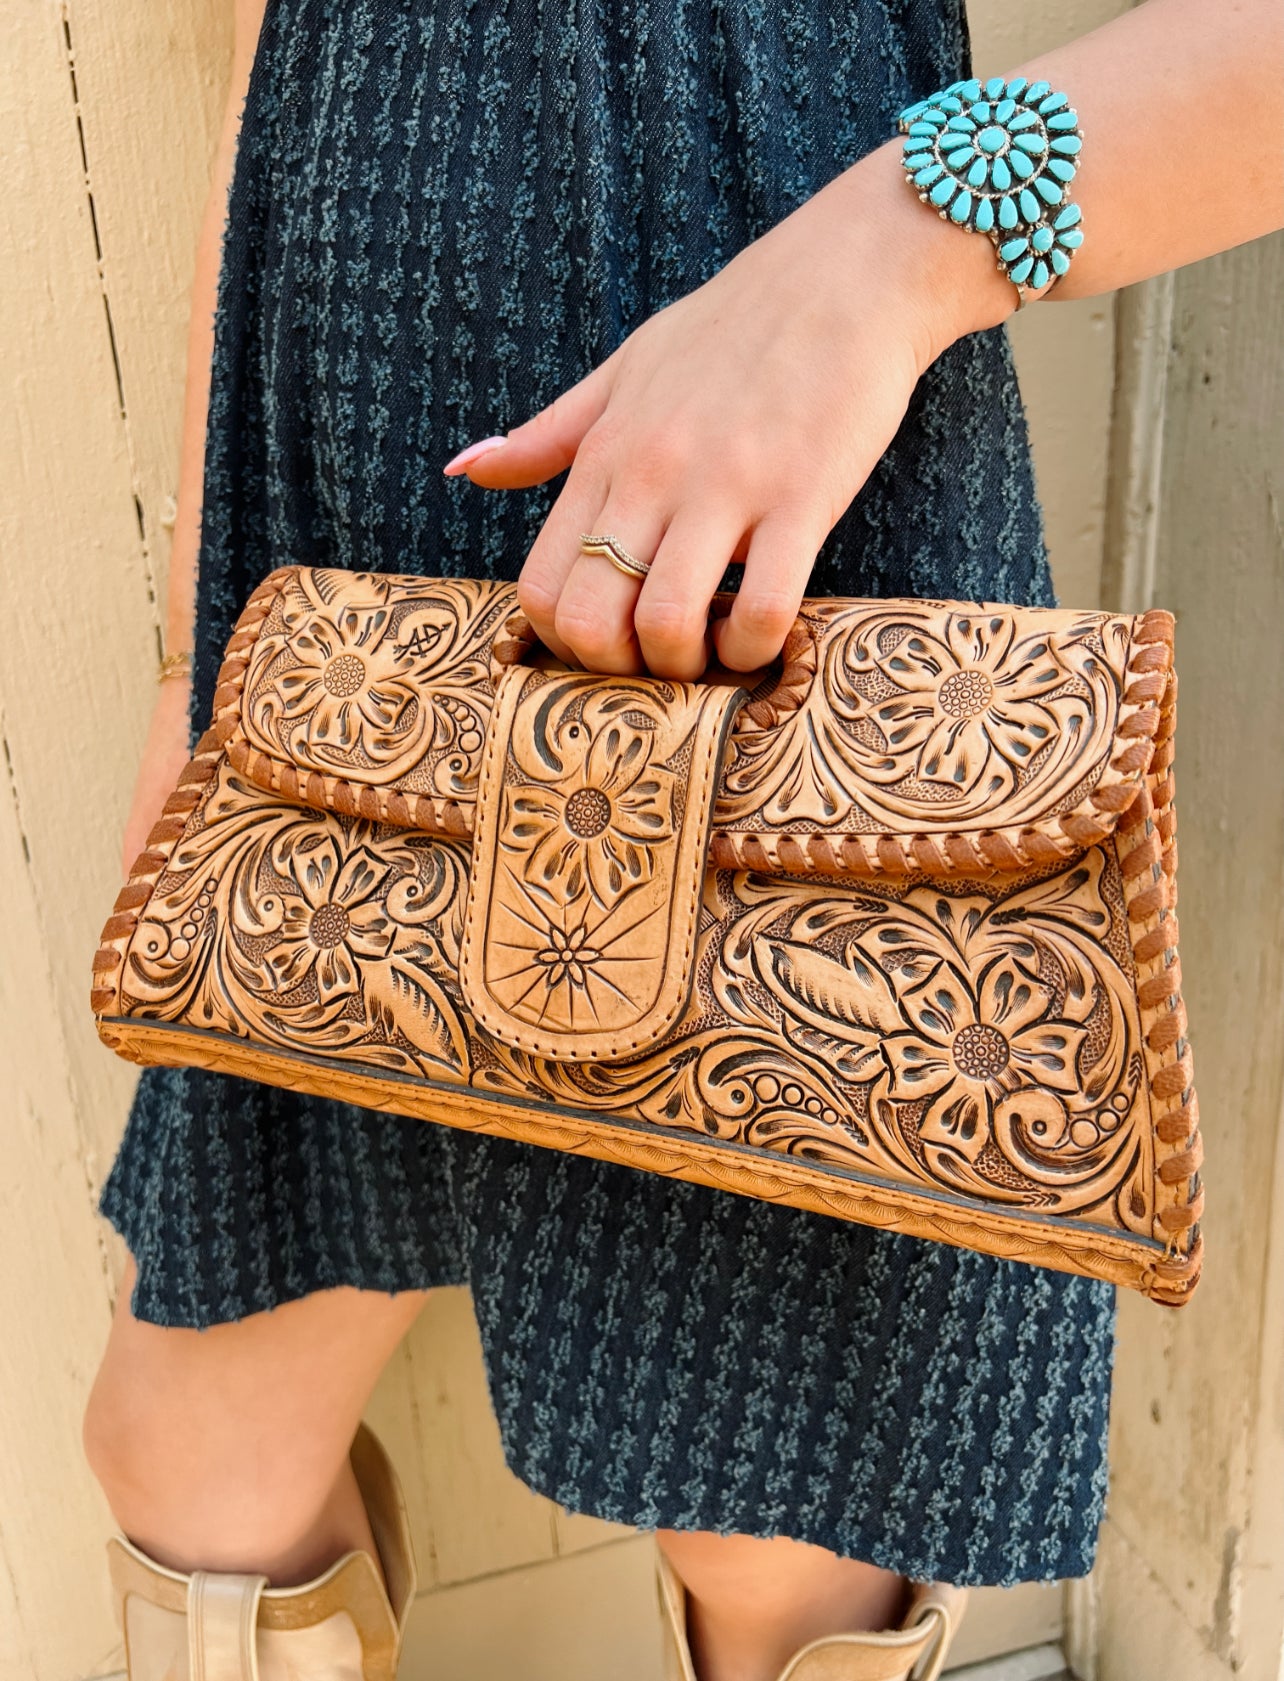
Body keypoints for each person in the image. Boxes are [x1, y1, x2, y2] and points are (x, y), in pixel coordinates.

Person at [83, 0, 1282, 1675]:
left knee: (775, 1529)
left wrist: (901, 245)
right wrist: (191, 661)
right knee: (190, 1453)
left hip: (771, 444)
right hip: (347, 486)